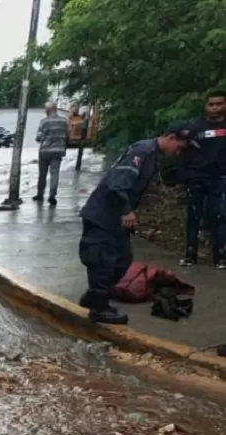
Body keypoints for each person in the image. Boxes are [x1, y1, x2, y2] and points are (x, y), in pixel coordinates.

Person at [78, 123, 189, 324]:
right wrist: (127, 211)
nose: (178, 152)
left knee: (123, 258)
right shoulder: (144, 150)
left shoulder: (153, 154)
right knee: (103, 259)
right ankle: (98, 307)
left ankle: (95, 296)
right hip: (104, 214)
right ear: (171, 138)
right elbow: (117, 184)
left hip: (113, 217)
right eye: (179, 147)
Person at [178, 90, 226, 267]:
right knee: (193, 216)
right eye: (211, 104)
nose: (215, 108)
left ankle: (220, 256)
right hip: (196, 177)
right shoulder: (193, 126)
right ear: (205, 106)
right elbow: (180, 147)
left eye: (219, 104)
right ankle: (190, 254)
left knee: (219, 216)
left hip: (219, 178)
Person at [33, 101, 69, 205]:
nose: (45, 111)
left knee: (42, 174)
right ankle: (52, 195)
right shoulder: (64, 121)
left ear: (48, 110)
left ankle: (40, 195)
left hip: (45, 151)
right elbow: (67, 136)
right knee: (55, 173)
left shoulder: (44, 122)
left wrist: (44, 137)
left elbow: (38, 138)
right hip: (58, 151)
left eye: (45, 109)